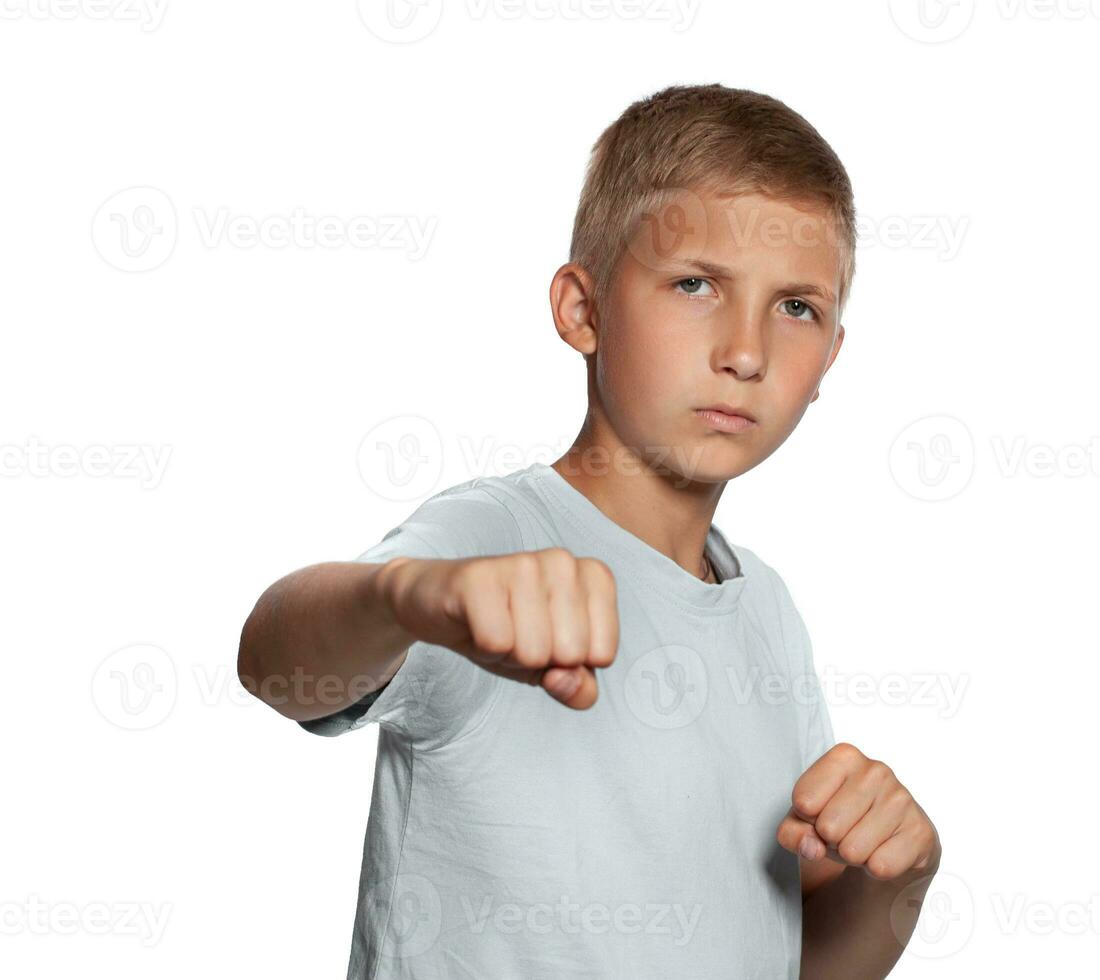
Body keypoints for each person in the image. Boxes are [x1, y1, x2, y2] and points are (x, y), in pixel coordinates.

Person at [237, 82, 941, 979]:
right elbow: (273, 663)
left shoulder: (768, 610)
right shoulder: (494, 539)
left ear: (833, 352)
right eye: (695, 284)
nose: (747, 352)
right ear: (583, 309)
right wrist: (407, 595)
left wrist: (897, 878)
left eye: (796, 307)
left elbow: (789, 959)